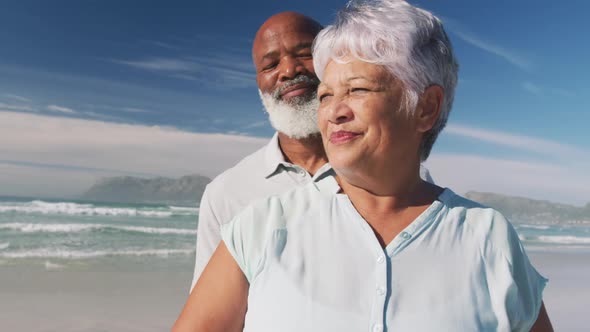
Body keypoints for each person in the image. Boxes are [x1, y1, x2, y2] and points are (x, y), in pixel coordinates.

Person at [174, 0, 554, 331]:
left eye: (357, 89)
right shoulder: (257, 227)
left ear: (426, 107)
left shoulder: (488, 237)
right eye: (326, 95)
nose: (335, 111)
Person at [190, 11, 436, 291]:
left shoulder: (400, 179)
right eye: (270, 64)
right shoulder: (226, 193)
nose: (289, 70)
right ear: (258, 82)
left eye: (305, 53)